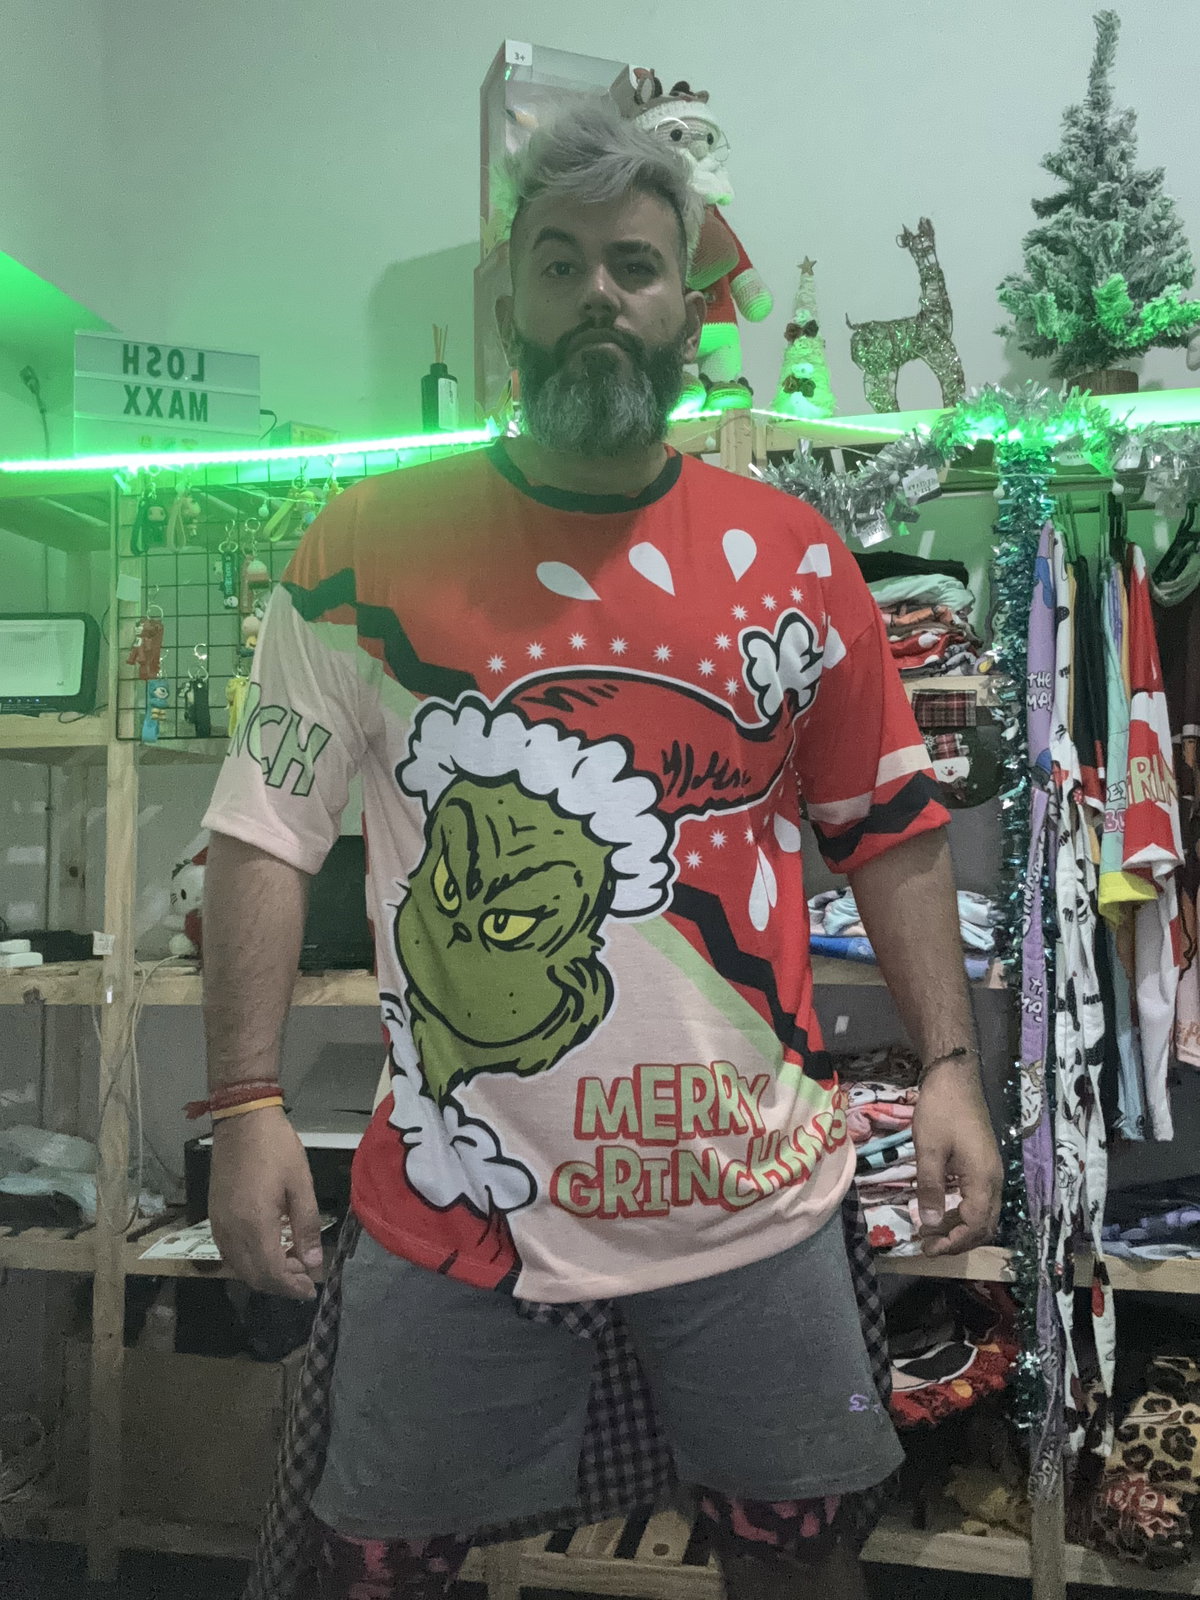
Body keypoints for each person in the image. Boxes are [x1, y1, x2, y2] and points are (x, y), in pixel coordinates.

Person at [200, 99, 1002, 1600]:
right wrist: (244, 1103)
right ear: (509, 299)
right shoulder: (361, 550)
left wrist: (951, 1068)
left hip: (760, 1207)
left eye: (634, 266)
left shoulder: (796, 556)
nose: (598, 298)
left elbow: (888, 832)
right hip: (454, 1215)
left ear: (688, 303)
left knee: (805, 1558)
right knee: (377, 1567)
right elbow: (261, 836)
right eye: (559, 263)